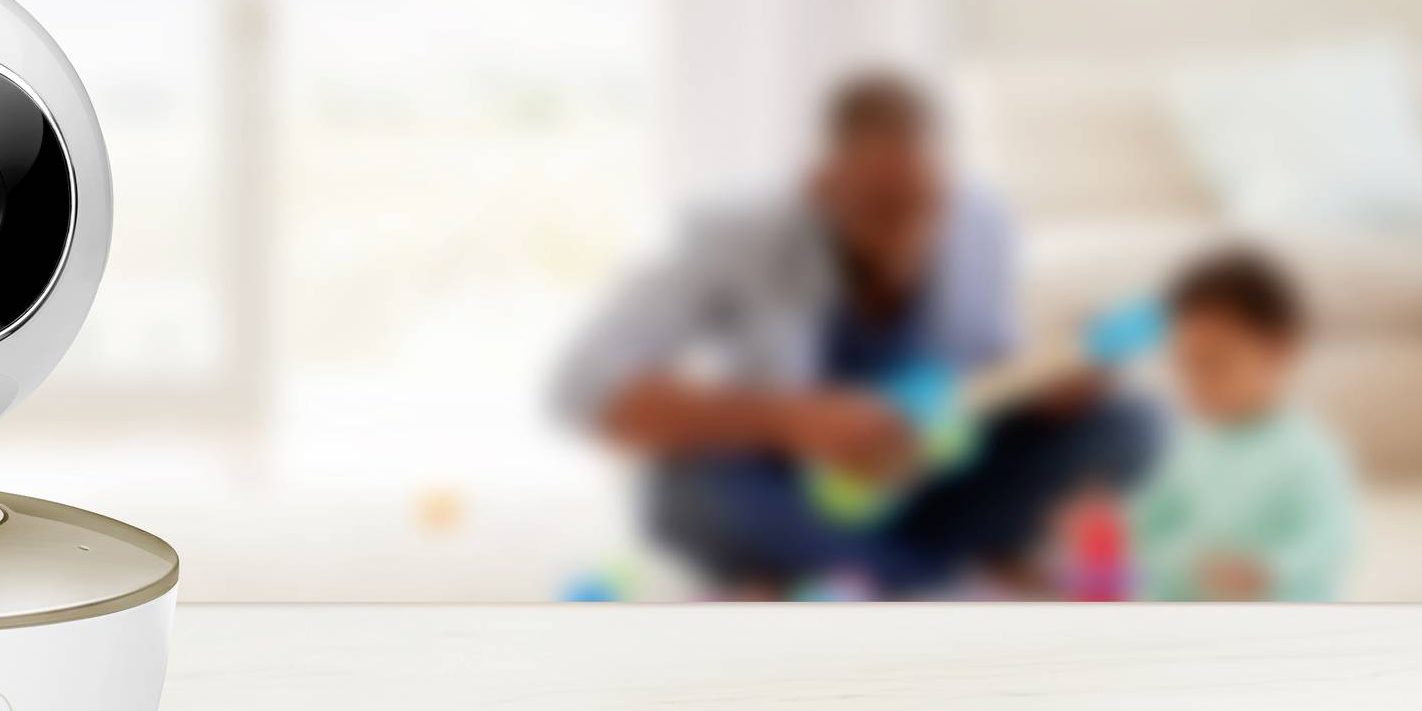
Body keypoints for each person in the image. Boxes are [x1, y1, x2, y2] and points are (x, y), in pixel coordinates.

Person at [552, 73, 1156, 597]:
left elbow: (981, 381)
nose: (907, 237)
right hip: (791, 483)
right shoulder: (736, 234)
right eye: (879, 207)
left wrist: (1045, 386)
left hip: (932, 479)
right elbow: (580, 385)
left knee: (1130, 424)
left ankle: (861, 573)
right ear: (823, 184)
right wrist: (789, 419)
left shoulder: (980, 221)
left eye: (925, 205)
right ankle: (922, 575)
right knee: (677, 489)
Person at [1126, 248, 1357, 601]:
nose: (1196, 381)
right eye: (1186, 364)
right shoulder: (1190, 442)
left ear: (1278, 350)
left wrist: (1270, 570)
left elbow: (1327, 542)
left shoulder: (1307, 453)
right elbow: (1154, 519)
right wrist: (1119, 531)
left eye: (1214, 362)